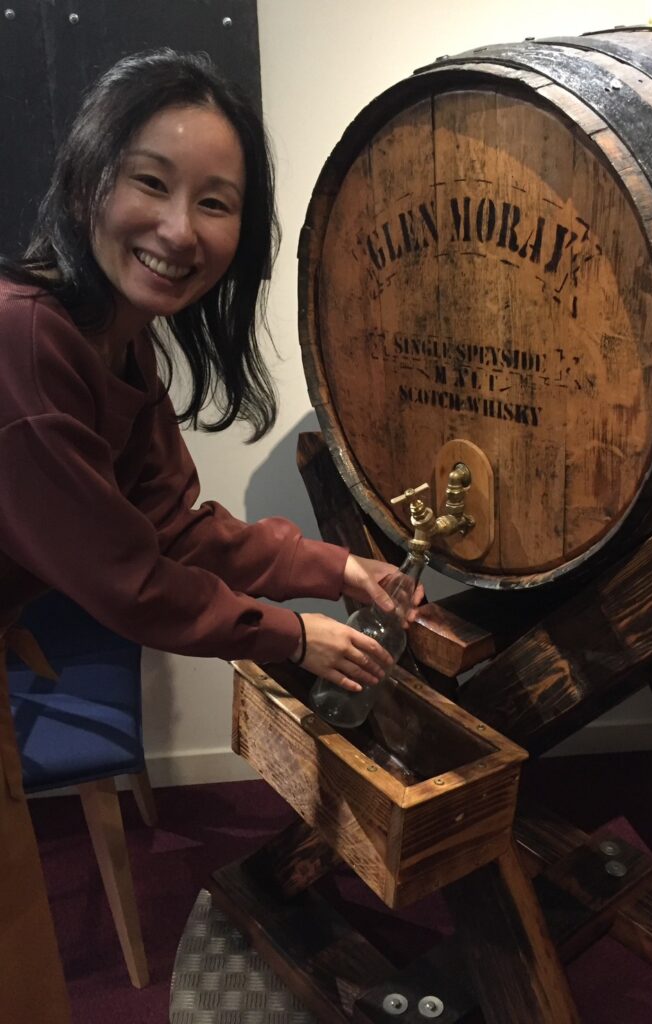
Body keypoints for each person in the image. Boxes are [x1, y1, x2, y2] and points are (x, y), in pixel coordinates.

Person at [0, 49, 422, 1020]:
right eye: (151, 183)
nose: (180, 229)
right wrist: (294, 635)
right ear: (88, 177)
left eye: (216, 202)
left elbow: (173, 525)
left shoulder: (117, 336)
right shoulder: (25, 339)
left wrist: (335, 567)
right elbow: (130, 581)